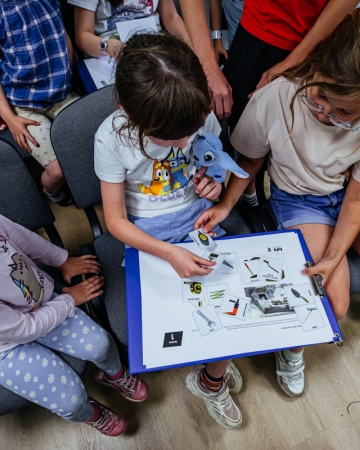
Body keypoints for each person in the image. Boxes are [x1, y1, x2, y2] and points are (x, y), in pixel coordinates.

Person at [194, 9, 360, 398]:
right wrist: (225, 204)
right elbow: (249, 158)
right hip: (302, 199)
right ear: (314, 68)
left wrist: (335, 255)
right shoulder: (276, 96)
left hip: (346, 193)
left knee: (333, 274)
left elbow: (355, 196)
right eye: (320, 100)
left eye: (346, 114)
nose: (327, 116)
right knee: (332, 304)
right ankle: (292, 350)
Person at [94, 32, 245, 429]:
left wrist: (216, 183)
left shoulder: (197, 110)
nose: (183, 142)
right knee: (178, 313)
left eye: (189, 132)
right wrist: (167, 251)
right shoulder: (110, 138)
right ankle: (211, 365)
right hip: (146, 231)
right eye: (170, 137)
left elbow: (212, 163)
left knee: (228, 303)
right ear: (129, 111)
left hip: (198, 216)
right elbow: (115, 222)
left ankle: (211, 380)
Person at [0, 214, 148, 436]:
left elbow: (21, 237)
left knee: (102, 344)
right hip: (7, 348)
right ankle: (90, 413)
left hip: (38, 303)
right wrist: (69, 301)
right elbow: (27, 328)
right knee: (71, 402)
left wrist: (62, 260)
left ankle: (113, 374)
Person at [0, 0, 81, 206]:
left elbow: (61, 33)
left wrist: (69, 72)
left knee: (88, 148)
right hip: (23, 106)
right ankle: (50, 191)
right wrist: (9, 118)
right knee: (57, 171)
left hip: (62, 93)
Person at [69, 0, 190, 59]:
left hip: (155, 42)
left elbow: (171, 17)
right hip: (109, 50)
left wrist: (190, 46)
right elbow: (82, 36)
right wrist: (108, 47)